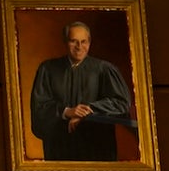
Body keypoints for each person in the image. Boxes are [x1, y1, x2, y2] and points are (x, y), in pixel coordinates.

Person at [29, 21, 133, 162]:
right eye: (74, 41)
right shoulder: (48, 70)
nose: (79, 47)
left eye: (83, 41)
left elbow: (121, 103)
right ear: (66, 42)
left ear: (89, 43)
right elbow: (39, 108)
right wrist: (66, 112)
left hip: (97, 149)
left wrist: (88, 111)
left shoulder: (104, 69)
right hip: (60, 149)